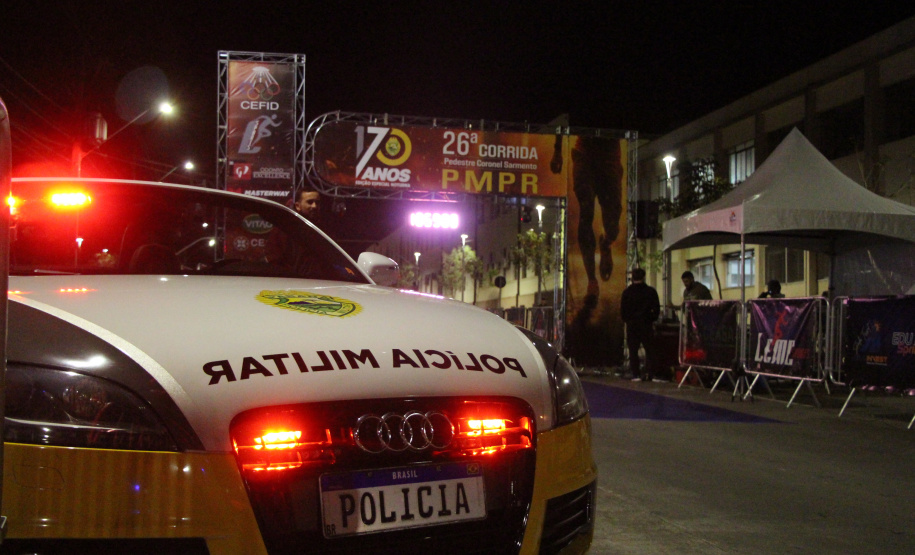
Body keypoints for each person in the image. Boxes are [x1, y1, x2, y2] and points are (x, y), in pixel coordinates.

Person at [551, 134, 623, 299]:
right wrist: (557, 150)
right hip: (584, 154)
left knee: (612, 224)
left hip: (610, 157)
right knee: (586, 213)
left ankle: (606, 242)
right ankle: (592, 281)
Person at [620, 268, 660, 381]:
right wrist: (651, 319)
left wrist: (628, 320)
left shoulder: (627, 292)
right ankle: (651, 373)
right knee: (650, 349)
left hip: (632, 326)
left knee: (633, 350)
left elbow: (623, 311)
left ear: (632, 277)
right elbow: (656, 309)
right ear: (644, 277)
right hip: (646, 324)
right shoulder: (650, 291)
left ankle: (636, 374)